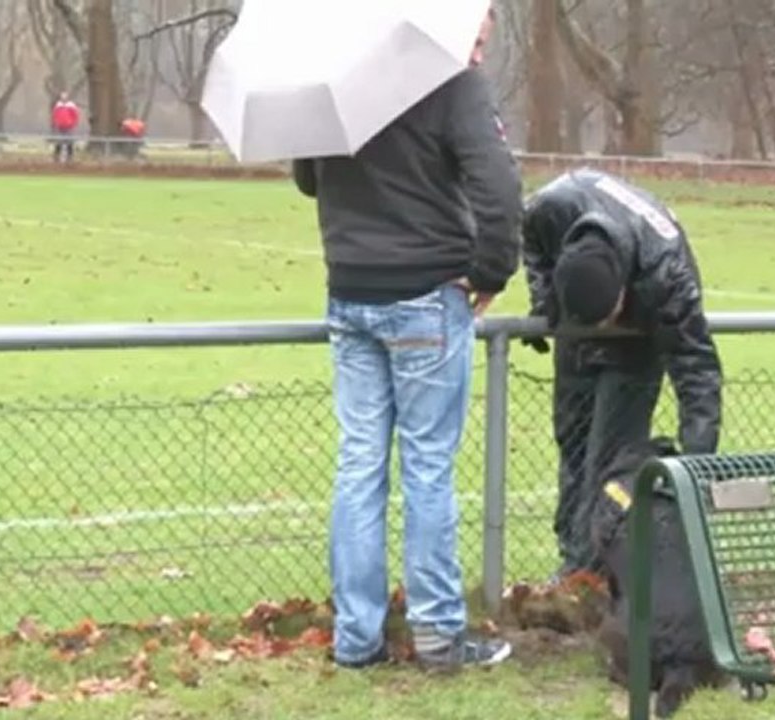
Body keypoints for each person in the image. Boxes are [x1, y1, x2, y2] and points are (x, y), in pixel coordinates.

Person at [291, 5, 523, 672]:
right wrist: (490, 269)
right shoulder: (452, 86)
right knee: (427, 468)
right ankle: (436, 633)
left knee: (359, 465)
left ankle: (356, 639)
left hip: (350, 291)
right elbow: (499, 184)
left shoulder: (337, 79)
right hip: (426, 294)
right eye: (476, 41)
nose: (478, 55)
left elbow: (309, 178)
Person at [519, 167, 722, 581]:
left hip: (637, 345)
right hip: (572, 332)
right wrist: (547, 306)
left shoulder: (668, 277)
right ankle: (572, 556)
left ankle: (593, 570)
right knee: (572, 444)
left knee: (606, 462)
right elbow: (534, 249)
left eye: (604, 319)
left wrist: (697, 459)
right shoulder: (550, 208)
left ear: (623, 293)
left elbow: (697, 372)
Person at [50, 92, 80, 163]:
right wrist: (54, 123)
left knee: (69, 142)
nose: (63, 98)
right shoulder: (58, 105)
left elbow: (76, 116)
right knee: (58, 142)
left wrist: (73, 124)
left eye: (65, 96)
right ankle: (56, 157)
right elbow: (54, 115)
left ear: (67, 97)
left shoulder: (71, 106)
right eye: (62, 96)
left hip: (69, 127)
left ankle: (70, 158)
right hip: (60, 127)